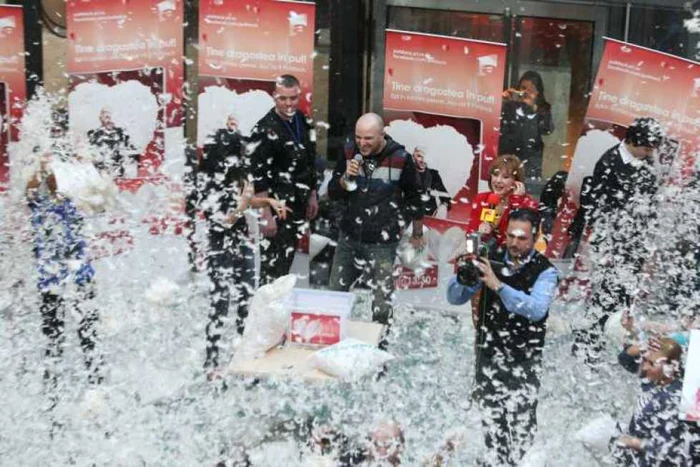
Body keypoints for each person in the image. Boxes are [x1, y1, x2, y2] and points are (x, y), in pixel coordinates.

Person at [447, 208, 558, 466]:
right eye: (510, 236)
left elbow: (536, 309)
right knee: (491, 417)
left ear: (535, 236)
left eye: (522, 238)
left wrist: (498, 285)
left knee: (522, 420)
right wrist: (464, 274)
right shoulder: (489, 257)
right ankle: (496, 460)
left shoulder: (546, 271)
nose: (515, 243)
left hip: (524, 358)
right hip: (488, 351)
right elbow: (454, 298)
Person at [200, 114, 289, 372]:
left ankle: (245, 358)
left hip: (241, 244)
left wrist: (269, 201)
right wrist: (244, 200)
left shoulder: (238, 175)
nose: (244, 155)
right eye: (240, 151)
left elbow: (248, 201)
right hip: (220, 247)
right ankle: (212, 360)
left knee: (247, 303)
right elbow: (226, 220)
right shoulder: (209, 182)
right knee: (220, 303)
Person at [571, 117, 664, 365]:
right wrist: (607, 248)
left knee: (623, 302)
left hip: (633, 249)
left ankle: (611, 347)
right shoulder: (610, 162)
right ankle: (586, 348)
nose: (649, 153)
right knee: (604, 297)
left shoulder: (646, 166)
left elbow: (649, 210)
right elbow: (599, 211)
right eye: (646, 147)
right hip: (612, 248)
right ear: (633, 140)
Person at [327, 113, 425, 347]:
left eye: (369, 138)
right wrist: (345, 179)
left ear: (383, 135)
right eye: (358, 137)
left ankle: (380, 353)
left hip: (383, 243)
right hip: (349, 237)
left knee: (381, 304)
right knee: (334, 296)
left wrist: (417, 234)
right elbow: (333, 192)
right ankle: (331, 346)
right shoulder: (349, 151)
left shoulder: (401, 158)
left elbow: (415, 199)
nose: (363, 143)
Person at [26, 156, 104, 398]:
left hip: (80, 277)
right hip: (51, 282)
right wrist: (41, 167)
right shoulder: (40, 205)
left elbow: (99, 203)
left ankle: (95, 382)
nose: (52, 180)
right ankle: (54, 388)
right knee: (54, 339)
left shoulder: (73, 205)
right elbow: (29, 189)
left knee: (87, 334)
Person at [251, 74, 319, 285]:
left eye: (293, 98)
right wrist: (265, 215)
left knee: (286, 264)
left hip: (299, 203)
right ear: (274, 97)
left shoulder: (305, 122)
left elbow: (311, 160)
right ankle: (262, 313)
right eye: (283, 98)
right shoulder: (263, 128)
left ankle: (278, 311)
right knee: (271, 268)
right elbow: (259, 177)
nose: (288, 103)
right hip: (276, 207)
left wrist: (313, 194)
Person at [612, 338, 690, 465]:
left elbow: (671, 452)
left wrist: (634, 442)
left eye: (651, 363)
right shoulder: (653, 378)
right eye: (645, 360)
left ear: (671, 368)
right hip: (627, 454)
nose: (645, 367)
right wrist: (642, 347)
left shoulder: (673, 400)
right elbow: (624, 359)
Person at [499, 71, 554, 193]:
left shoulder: (542, 108)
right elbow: (498, 125)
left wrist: (534, 109)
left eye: (531, 90)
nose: (525, 93)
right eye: (523, 88)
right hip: (507, 157)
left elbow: (548, 130)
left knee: (524, 193)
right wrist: (501, 102)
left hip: (530, 163)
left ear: (538, 93)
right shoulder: (510, 105)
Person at [467, 154, 538, 248]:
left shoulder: (528, 203)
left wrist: (516, 202)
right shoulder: (481, 199)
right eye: (495, 175)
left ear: (516, 181)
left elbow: (516, 239)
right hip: (482, 254)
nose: (498, 180)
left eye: (505, 177)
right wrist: (479, 232)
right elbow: (469, 237)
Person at [87, 108, 137, 178]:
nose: (111, 121)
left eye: (113, 118)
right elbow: (89, 155)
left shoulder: (122, 133)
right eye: (107, 117)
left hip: (120, 174)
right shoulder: (94, 134)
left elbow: (132, 151)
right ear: (100, 119)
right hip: (101, 174)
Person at [412, 147, 451, 217]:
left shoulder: (434, 174)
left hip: (430, 215)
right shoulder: (406, 173)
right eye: (419, 156)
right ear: (413, 157)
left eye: (425, 157)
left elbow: (445, 196)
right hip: (410, 214)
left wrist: (444, 206)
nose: (423, 160)